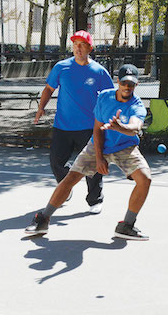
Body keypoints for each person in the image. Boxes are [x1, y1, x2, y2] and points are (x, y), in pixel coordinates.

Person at [26, 64, 152, 240]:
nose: (127, 87)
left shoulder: (137, 105)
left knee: (145, 179)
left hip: (125, 147)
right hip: (98, 145)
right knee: (71, 178)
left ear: (136, 85)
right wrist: (100, 158)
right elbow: (97, 128)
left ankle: (126, 226)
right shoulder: (105, 98)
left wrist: (120, 127)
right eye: (124, 83)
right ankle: (43, 219)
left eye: (131, 84)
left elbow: (135, 127)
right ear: (118, 82)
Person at [34, 30, 114, 214]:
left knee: (92, 167)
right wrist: (41, 108)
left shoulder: (99, 72)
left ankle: (95, 200)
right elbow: (48, 89)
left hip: (89, 127)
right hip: (62, 126)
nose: (78, 48)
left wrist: (110, 121)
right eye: (75, 44)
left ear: (89, 48)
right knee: (56, 162)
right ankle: (65, 186)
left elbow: (110, 97)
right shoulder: (61, 67)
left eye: (82, 44)